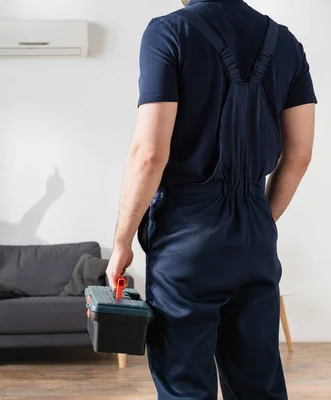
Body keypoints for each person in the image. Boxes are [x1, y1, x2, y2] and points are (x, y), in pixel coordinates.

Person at [106, 0, 316, 399]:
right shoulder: (286, 42)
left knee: (185, 385)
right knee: (259, 384)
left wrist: (121, 243)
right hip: (255, 233)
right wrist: (258, 220)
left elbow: (150, 153)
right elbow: (300, 154)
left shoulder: (169, 32)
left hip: (187, 236)